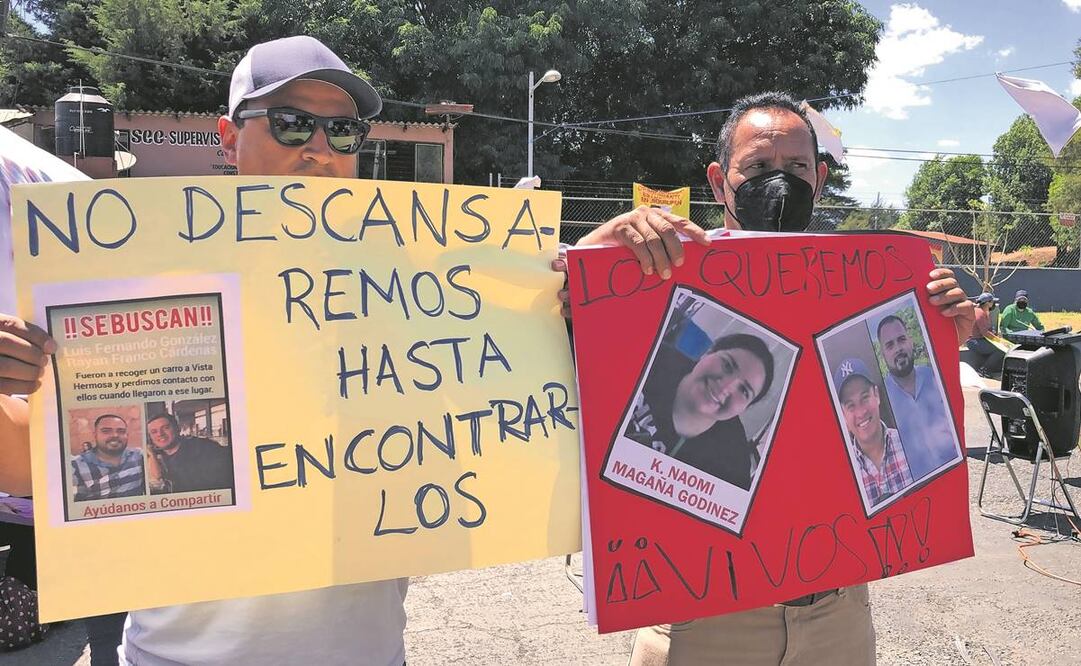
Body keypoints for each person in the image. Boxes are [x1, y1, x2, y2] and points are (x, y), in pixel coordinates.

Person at [0, 36, 409, 665]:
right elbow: (35, 468)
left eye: (345, 131)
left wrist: (585, 296)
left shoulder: (410, 287)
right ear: (227, 135)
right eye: (293, 122)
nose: (323, 149)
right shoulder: (145, 276)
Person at [566, 91, 975, 666]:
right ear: (719, 181)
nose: (779, 183)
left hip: (837, 613)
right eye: (757, 168)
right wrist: (595, 261)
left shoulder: (866, 284)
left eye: (797, 168)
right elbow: (564, 343)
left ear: (821, 176)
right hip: (701, 620)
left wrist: (939, 333)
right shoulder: (660, 278)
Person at [627, 333, 773, 490]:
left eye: (744, 390)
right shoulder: (647, 355)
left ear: (744, 409)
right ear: (708, 353)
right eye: (727, 365)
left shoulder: (732, 470)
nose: (725, 386)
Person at [877, 314, 958, 481]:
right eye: (890, 345)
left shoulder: (936, 377)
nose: (898, 348)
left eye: (901, 339)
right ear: (883, 354)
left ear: (911, 341)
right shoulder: (880, 402)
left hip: (953, 478)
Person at [834, 357, 912, 506]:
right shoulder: (841, 472)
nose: (861, 412)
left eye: (864, 398)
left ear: (876, 395)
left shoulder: (910, 442)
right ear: (843, 414)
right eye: (850, 405)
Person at [145, 412, 232, 494]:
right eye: (154, 432)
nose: (160, 434)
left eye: (165, 428)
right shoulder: (155, 456)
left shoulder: (205, 448)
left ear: (177, 428)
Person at [71, 415, 146, 502]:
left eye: (121, 431)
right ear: (95, 435)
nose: (115, 435)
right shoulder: (75, 466)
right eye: (106, 431)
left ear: (127, 435)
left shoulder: (139, 456)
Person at [966, 292, 1006, 377]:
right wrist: (998, 341)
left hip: (979, 340)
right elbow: (985, 333)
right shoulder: (980, 313)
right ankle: (984, 370)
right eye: (992, 301)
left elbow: (988, 330)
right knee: (1000, 350)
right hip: (974, 341)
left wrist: (996, 336)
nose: (993, 303)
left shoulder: (982, 312)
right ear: (987, 303)